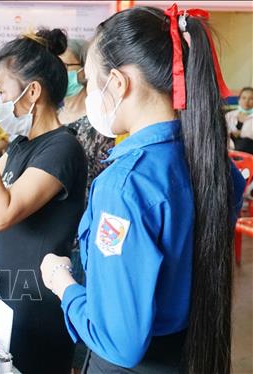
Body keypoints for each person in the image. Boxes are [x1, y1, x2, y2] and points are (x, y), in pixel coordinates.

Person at [40, 6, 245, 373]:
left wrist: (63, 285)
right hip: (189, 355)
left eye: (89, 82)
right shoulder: (217, 167)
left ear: (118, 84)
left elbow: (121, 341)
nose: (88, 97)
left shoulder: (125, 187)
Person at [0, 29, 87, 373]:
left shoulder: (62, 149)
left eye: (2, 91)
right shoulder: (21, 144)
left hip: (35, 306)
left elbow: (0, 215)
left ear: (33, 91)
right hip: (4, 293)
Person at [58, 38, 114, 193]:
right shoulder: (51, 116)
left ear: (83, 69)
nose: (57, 73)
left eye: (64, 66)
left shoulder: (100, 120)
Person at [227, 87, 253, 153]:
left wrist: (241, 133)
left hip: (248, 151)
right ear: (239, 100)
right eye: (243, 98)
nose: (246, 101)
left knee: (245, 143)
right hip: (229, 150)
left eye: (251, 99)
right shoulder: (229, 115)